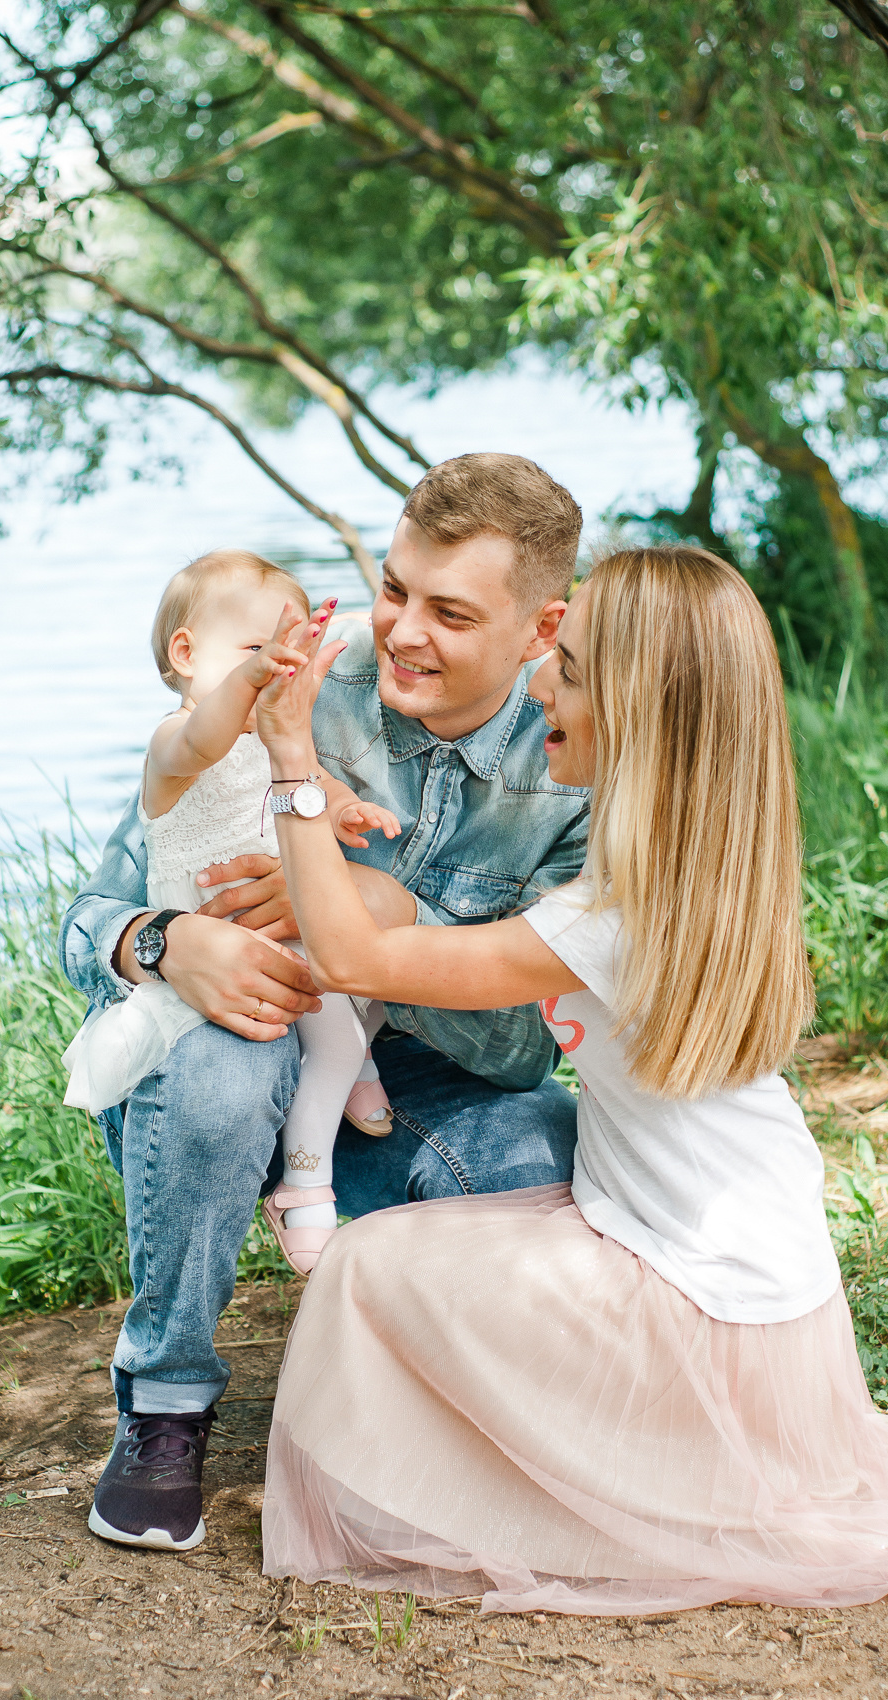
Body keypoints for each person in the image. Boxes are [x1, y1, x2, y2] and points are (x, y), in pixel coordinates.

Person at [254, 544, 888, 1614]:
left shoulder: (609, 921)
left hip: (696, 1293)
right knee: (411, 1258)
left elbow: (356, 962)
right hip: (763, 1265)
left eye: (576, 669)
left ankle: (528, 1496)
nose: (542, 681)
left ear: (643, 710)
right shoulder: (696, 866)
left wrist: (289, 766)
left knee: (363, 1272)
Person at [59, 455, 590, 1553]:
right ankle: (163, 1403)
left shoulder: (577, 758)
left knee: (544, 1152)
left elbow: (527, 1046)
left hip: (420, 1090)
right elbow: (88, 913)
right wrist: (168, 942)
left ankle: (432, 1409)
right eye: (395, 589)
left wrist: (385, 924)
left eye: (448, 612)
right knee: (218, 1066)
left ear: (542, 628)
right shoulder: (284, 678)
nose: (400, 632)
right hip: (235, 1058)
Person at [62, 550, 401, 1291]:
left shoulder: (274, 740)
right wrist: (252, 683)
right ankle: (305, 1183)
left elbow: (319, 784)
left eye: (288, 657)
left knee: (360, 1000)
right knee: (332, 1036)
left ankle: (344, 1081)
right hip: (214, 962)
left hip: (284, 940)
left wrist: (352, 813)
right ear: (185, 654)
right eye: (254, 653)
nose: (275, 672)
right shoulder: (173, 745)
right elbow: (204, 739)